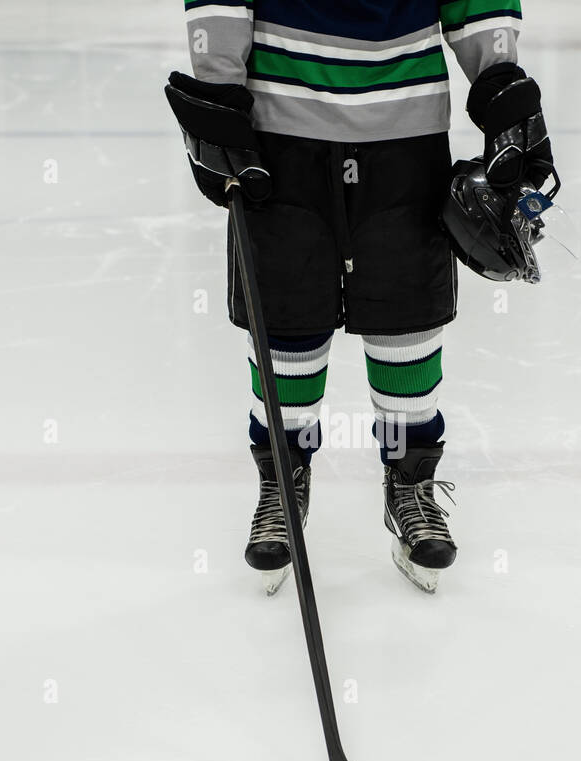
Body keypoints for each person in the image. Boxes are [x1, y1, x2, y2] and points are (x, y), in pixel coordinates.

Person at [166, 0, 554, 593]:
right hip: (281, 127)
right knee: (286, 311)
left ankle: (409, 484)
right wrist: (217, 86)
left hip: (406, 126)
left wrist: (498, 79)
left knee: (406, 313)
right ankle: (283, 481)